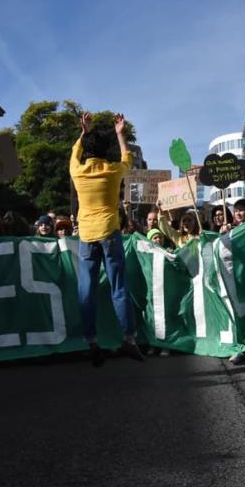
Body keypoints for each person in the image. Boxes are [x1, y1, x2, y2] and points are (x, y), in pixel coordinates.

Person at [70, 111, 144, 365]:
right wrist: (120, 134)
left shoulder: (78, 172)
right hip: (110, 233)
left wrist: (83, 132)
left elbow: (74, 151)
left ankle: (91, 341)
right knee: (118, 288)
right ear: (105, 150)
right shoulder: (113, 171)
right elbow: (127, 159)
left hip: (87, 234)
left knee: (86, 290)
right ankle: (129, 339)